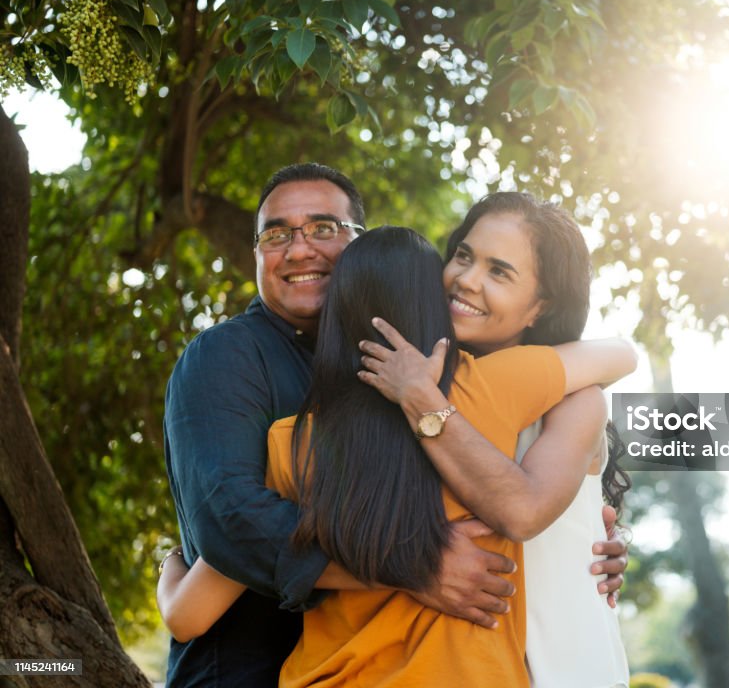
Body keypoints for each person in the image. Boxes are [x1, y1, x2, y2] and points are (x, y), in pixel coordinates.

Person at [159, 226, 637, 686]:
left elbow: (188, 616)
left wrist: (172, 562)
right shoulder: (493, 387)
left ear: (335, 315)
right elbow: (620, 355)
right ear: (437, 306)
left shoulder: (290, 442)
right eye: (464, 259)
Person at [162, 164, 530, 687]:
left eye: (322, 228)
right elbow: (231, 518)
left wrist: (593, 539)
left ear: (360, 245)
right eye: (276, 235)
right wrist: (410, 566)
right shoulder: (227, 355)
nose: (297, 249)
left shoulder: (416, 375)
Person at [358, 192, 631, 687]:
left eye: (499, 272)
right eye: (464, 255)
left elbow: (524, 513)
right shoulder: (412, 380)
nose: (466, 279)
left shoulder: (574, 400)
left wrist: (423, 403)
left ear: (540, 307)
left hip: (560, 670)